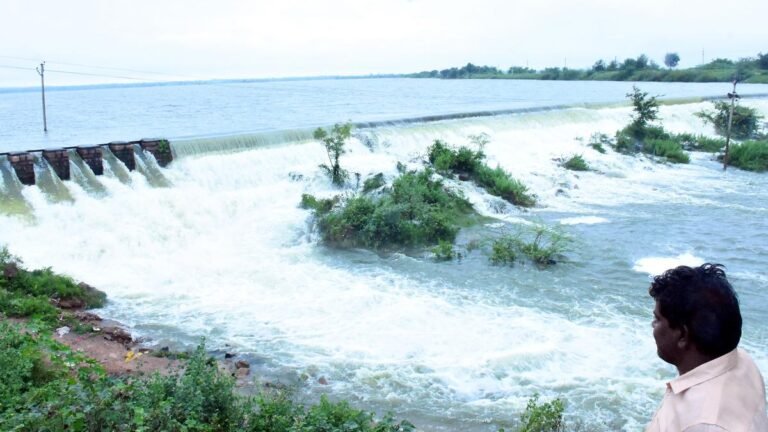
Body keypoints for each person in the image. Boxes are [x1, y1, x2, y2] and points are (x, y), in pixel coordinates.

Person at [646, 263, 768, 432]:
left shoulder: (704, 424)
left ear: (682, 335)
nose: (653, 325)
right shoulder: (741, 361)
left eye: (658, 319)